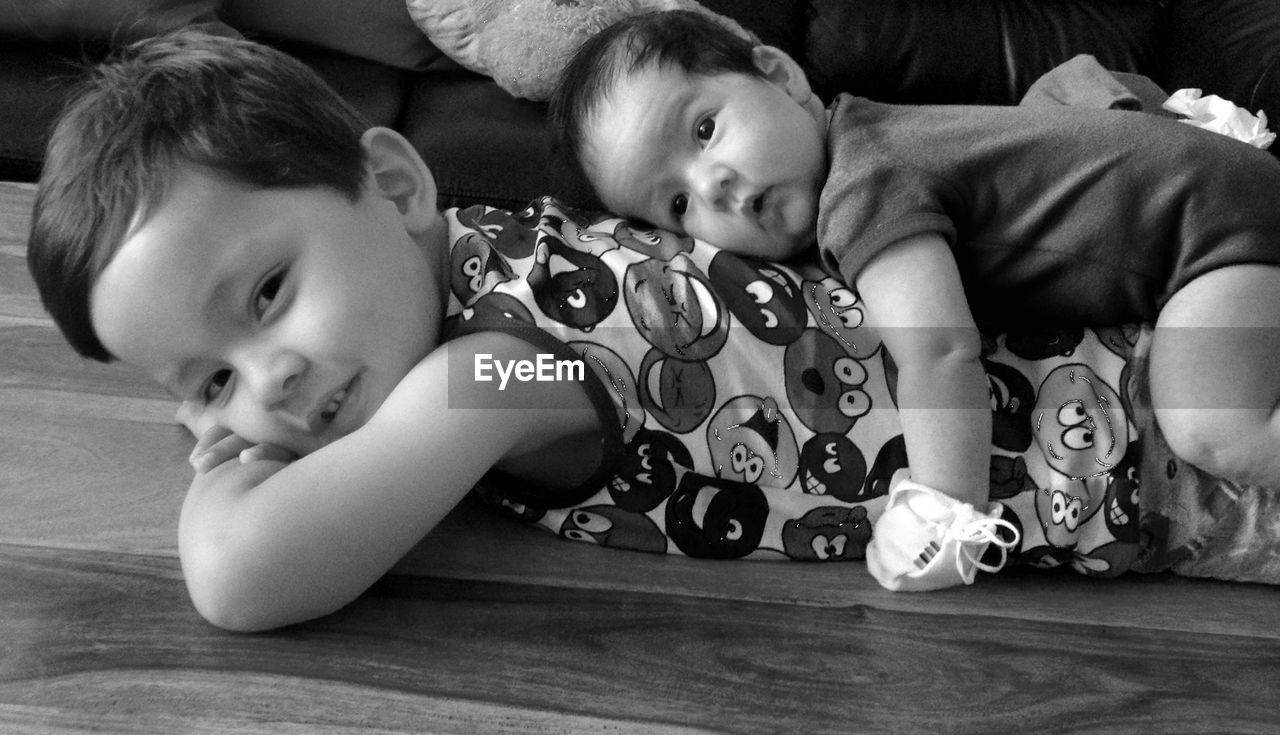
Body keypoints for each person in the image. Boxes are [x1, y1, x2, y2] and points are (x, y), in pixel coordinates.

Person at [29, 30, 1157, 634]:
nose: (267, 385)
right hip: (1075, 351)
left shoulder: (493, 373)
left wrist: (228, 480)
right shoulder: (492, 244)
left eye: (268, 296)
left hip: (1121, 453)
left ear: (393, 180)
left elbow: (240, 581)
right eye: (208, 384)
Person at [549, 10, 1280, 585]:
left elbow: (939, 350)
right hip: (1198, 192)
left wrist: (946, 516)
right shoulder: (879, 130)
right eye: (676, 204)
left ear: (779, 75)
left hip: (1216, 227)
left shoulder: (864, 188)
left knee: (1210, 422)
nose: (712, 185)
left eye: (705, 130)